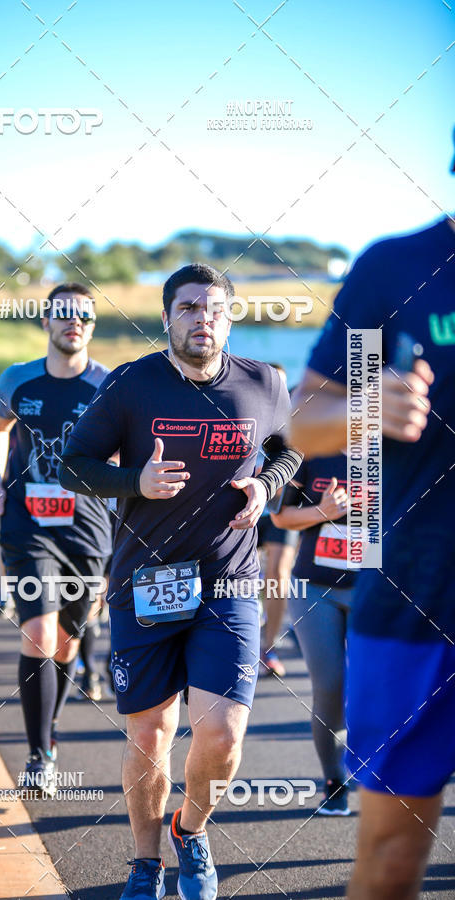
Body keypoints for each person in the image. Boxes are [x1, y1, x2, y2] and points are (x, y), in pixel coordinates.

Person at [59, 263, 302, 900]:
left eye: (216, 308)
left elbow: (290, 449)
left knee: (222, 736)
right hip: (146, 582)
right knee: (150, 735)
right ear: (168, 316)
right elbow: (72, 464)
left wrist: (268, 484)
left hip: (230, 581)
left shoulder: (264, 383)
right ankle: (145, 865)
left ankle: (190, 831)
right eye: (190, 307)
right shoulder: (131, 385)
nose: (204, 319)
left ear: (230, 317)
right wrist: (132, 483)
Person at [290, 162, 455, 898]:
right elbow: (299, 420)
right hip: (416, 594)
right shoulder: (396, 267)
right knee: (391, 854)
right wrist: (366, 409)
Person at [0, 282, 112, 791]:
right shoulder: (18, 380)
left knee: (66, 642)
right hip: (28, 525)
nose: (72, 322)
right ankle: (39, 757)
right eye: (63, 313)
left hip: (88, 530)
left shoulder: (109, 386)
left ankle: (49, 731)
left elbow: (124, 461)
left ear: (92, 326)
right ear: (46, 322)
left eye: (83, 315)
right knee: (38, 632)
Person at [271, 453, 354, 814]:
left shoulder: (400, 446)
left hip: (377, 588)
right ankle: (334, 781)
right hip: (314, 588)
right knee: (330, 686)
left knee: (382, 688)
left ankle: (389, 778)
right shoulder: (314, 449)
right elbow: (280, 516)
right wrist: (323, 511)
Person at [255, 364, 299, 678]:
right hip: (244, 503)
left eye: (283, 386)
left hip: (281, 504)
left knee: (279, 571)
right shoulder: (247, 407)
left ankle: (268, 646)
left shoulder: (298, 410)